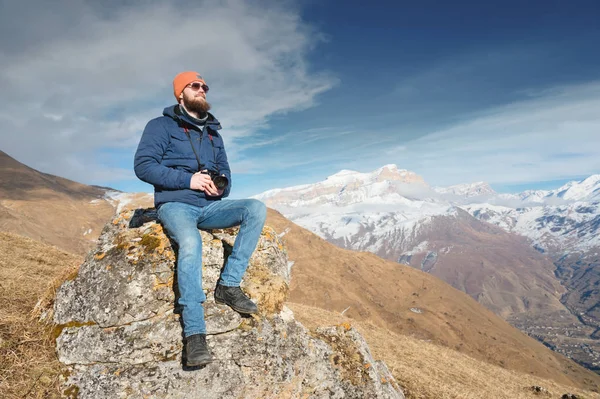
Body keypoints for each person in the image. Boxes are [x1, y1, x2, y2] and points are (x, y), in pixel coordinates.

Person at [134, 71, 267, 367]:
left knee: (255, 208)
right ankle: (195, 334)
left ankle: (228, 286)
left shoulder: (213, 134)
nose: (202, 90)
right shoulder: (160, 127)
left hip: (209, 207)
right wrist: (188, 180)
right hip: (176, 204)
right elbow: (144, 167)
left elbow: (227, 176)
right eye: (195, 86)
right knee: (191, 243)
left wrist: (218, 185)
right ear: (181, 93)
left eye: (205, 86)